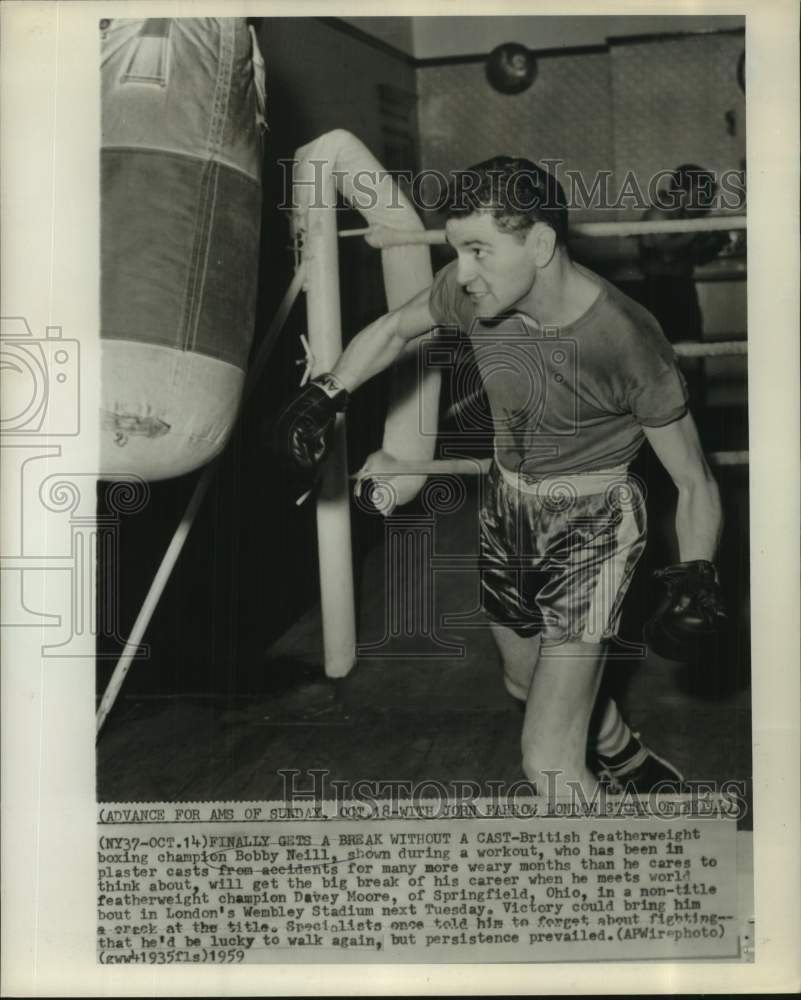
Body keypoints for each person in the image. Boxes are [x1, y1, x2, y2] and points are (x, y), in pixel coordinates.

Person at [276, 156, 726, 799]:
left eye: (479, 250)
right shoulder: (475, 292)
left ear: (540, 244)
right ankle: (618, 749)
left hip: (594, 526)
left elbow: (694, 481)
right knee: (522, 683)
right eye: (458, 250)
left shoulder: (625, 338)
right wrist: (327, 392)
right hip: (507, 510)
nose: (462, 273)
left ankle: (615, 888)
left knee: (546, 757)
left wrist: (699, 574)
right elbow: (394, 328)